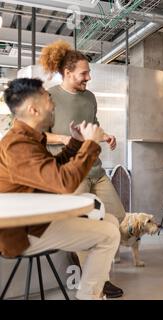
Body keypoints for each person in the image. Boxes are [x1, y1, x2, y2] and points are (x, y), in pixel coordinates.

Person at [0, 78, 120, 300]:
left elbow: (52, 171)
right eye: (48, 98)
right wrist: (90, 144)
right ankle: (88, 296)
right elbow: (63, 183)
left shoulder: (30, 139)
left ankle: (91, 291)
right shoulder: (17, 145)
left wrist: (75, 142)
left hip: (36, 220)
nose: (53, 104)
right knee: (109, 234)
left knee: (111, 222)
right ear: (33, 109)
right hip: (23, 232)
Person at [39, 40, 124, 298]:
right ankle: (97, 281)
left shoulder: (90, 97)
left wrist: (105, 136)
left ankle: (92, 272)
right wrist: (65, 139)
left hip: (95, 169)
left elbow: (93, 125)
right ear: (67, 73)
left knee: (116, 216)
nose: (89, 77)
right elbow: (39, 135)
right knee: (87, 226)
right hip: (70, 171)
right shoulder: (49, 97)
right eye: (84, 73)